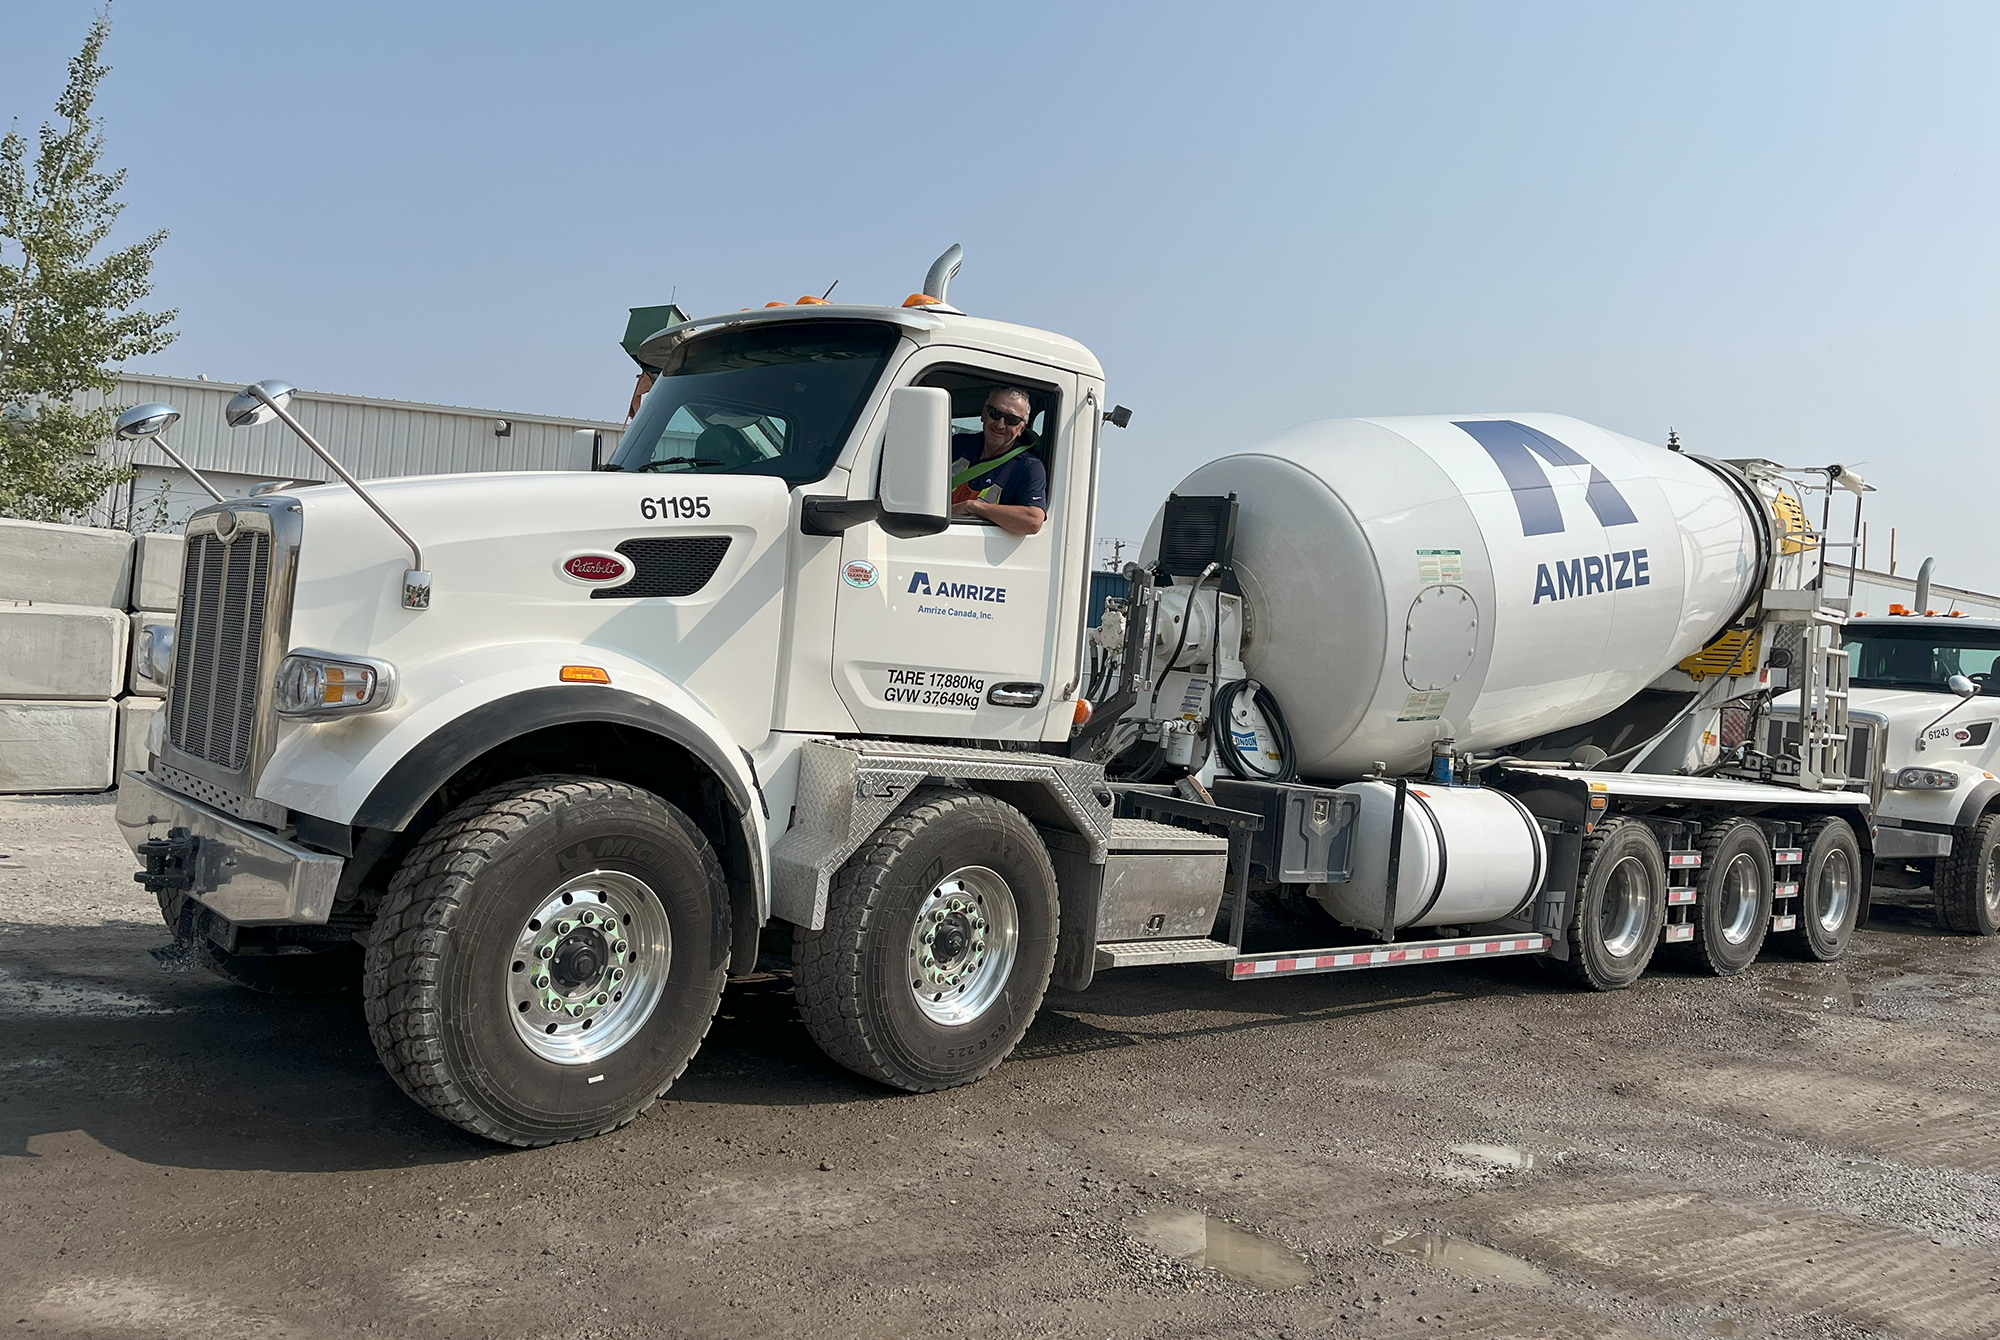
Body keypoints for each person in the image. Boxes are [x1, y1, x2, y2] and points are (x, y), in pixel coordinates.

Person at [949, 386, 1047, 536]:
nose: (1000, 424)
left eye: (1011, 420)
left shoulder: (1028, 467)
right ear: (983, 414)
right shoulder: (956, 445)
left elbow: (1033, 520)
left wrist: (974, 507)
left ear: (1021, 428)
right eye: (995, 414)